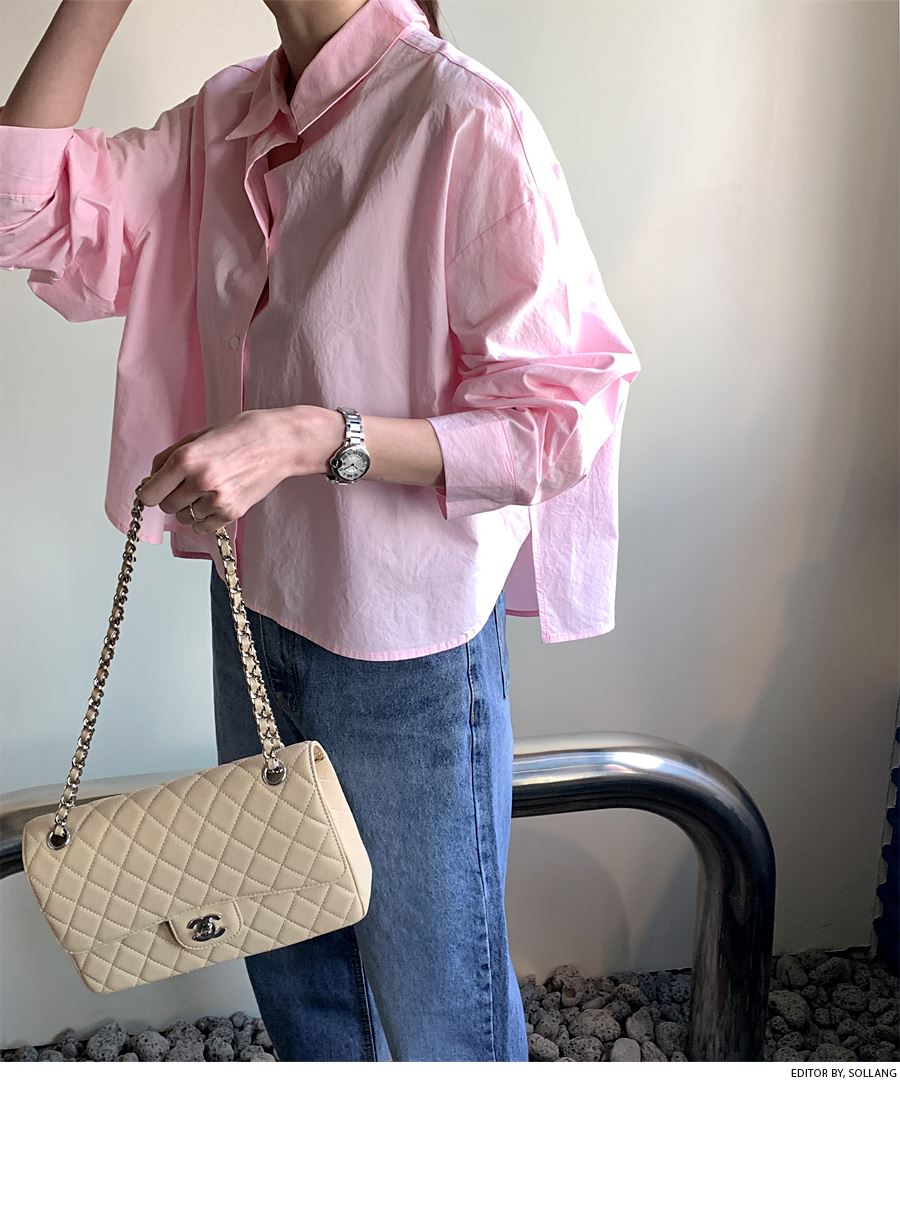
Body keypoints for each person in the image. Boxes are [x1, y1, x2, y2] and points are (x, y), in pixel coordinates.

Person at [0, 0, 641, 1061]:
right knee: (304, 999)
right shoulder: (227, 117)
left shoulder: (462, 120)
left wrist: (309, 437)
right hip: (255, 613)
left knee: (445, 1020)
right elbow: (18, 209)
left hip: (407, 647)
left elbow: (557, 420)